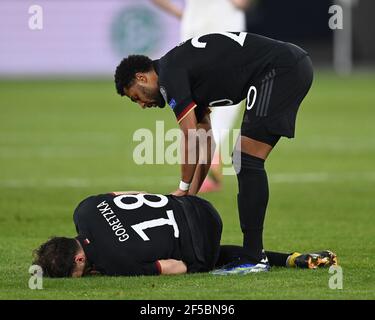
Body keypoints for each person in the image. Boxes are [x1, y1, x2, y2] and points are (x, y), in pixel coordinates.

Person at [114, 32, 314, 274]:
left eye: (136, 96)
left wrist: (182, 187)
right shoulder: (178, 73)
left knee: (246, 160)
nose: (142, 105)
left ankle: (253, 258)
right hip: (286, 65)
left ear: (142, 77)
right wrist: (192, 197)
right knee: (243, 159)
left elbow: (189, 137)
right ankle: (253, 255)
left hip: (279, 69)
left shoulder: (170, 76)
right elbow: (205, 142)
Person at [33, 192, 337, 277]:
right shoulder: (85, 208)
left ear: (79, 258)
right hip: (195, 203)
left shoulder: (114, 266)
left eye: (75, 272)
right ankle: (292, 259)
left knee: (202, 257)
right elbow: (133, 194)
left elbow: (172, 267)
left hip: (201, 237)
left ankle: (269, 259)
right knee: (194, 246)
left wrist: (200, 267)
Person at [151, 0, 253, 192]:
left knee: (196, 93)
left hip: (196, 26)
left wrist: (182, 14)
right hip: (226, 25)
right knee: (229, 88)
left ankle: (205, 158)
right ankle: (212, 157)